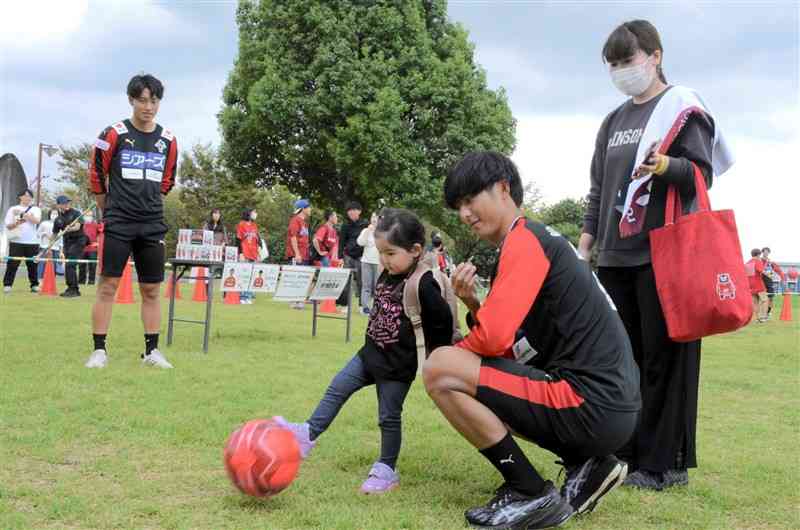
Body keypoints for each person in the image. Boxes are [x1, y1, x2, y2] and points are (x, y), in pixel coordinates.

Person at [423, 152, 640, 529]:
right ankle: (587, 464)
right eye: (458, 206)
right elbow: (514, 350)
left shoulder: (524, 241)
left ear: (504, 189)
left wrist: (450, 360)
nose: (464, 213)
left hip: (590, 402)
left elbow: (492, 341)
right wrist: (473, 303)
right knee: (473, 376)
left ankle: (528, 491)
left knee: (440, 369)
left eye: (470, 198)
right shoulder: (540, 240)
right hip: (612, 408)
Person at [577, 20, 733, 491]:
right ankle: (626, 452)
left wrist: (665, 165)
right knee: (622, 361)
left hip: (664, 256)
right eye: (615, 64)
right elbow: (599, 187)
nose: (623, 70)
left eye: (629, 60)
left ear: (655, 55)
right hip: (614, 257)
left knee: (666, 360)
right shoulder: (614, 120)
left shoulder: (683, 110)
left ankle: (666, 464)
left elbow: (700, 176)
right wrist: (587, 237)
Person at [276, 208, 454, 494]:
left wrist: (437, 354)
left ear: (416, 250)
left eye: (391, 253)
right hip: (368, 355)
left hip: (397, 367)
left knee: (388, 416)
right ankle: (308, 434)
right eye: (382, 253)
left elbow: (443, 322)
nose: (384, 260)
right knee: (337, 389)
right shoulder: (388, 273)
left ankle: (386, 469)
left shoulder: (423, 283)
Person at [85, 73, 178, 369]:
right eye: (142, 100)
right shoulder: (112, 134)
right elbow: (96, 176)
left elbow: (167, 181)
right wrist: (109, 208)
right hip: (118, 221)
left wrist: (148, 203)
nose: (148, 106)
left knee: (151, 289)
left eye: (154, 100)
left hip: (152, 223)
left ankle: (152, 352)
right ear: (131, 100)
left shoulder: (169, 139)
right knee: (107, 285)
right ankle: (99, 351)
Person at [3, 189, 41, 293]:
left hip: (32, 242)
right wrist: (16, 223)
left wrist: (23, 214)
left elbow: (36, 221)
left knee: (32, 265)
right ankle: (7, 285)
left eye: (29, 196)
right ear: (20, 197)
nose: (27, 198)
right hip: (16, 241)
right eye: (25, 195)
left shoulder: (35, 209)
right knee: (12, 264)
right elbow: (8, 225)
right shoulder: (12, 209)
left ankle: (34, 285)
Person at [53, 195, 86, 298]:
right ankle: (72, 288)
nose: (66, 204)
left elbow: (78, 226)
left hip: (79, 240)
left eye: (67, 202)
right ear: (58, 205)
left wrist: (69, 229)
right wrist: (49, 244)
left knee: (70, 264)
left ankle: (73, 290)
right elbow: (54, 234)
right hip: (67, 242)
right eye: (63, 203)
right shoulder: (58, 219)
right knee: (68, 265)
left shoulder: (76, 213)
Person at [340, 201, 369, 309]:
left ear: (359, 211)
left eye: (353, 210)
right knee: (346, 281)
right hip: (348, 256)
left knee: (361, 281)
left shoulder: (365, 224)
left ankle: (362, 306)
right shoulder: (345, 225)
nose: (351, 213)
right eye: (349, 211)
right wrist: (340, 257)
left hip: (361, 256)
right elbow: (342, 241)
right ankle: (345, 305)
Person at [285, 198, 311, 309]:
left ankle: (299, 300)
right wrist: (297, 254)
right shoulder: (295, 220)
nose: (310, 209)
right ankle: (293, 301)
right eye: (308, 207)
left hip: (304, 254)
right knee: (296, 278)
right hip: (297, 255)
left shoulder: (304, 222)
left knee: (303, 278)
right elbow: (293, 237)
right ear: (303, 209)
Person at [357, 212, 380, 316]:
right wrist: (368, 232)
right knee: (366, 285)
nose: (374, 219)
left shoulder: (383, 232)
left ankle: (376, 308)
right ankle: (365, 307)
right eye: (373, 217)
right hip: (366, 261)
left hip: (379, 263)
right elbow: (360, 242)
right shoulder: (366, 230)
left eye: (376, 217)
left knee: (377, 286)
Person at [236, 208, 260, 304]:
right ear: (249, 213)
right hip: (245, 252)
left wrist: (258, 253)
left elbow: (256, 240)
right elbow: (238, 239)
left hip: (253, 253)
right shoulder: (241, 224)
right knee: (243, 275)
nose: (255, 214)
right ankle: (242, 296)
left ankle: (248, 296)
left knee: (251, 276)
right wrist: (240, 253)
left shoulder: (254, 225)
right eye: (254, 212)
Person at [37, 209, 64, 279]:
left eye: (56, 214)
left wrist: (61, 252)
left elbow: (61, 240)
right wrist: (45, 234)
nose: (54, 215)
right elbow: (38, 234)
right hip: (44, 247)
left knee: (54, 265)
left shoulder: (61, 225)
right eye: (53, 213)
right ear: (49, 214)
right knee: (42, 264)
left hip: (55, 248)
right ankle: (39, 280)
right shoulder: (44, 223)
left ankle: (51, 280)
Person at [760, 247, 785, 319]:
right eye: (765, 251)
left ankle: (768, 312)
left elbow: (779, 270)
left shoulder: (771, 262)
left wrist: (782, 278)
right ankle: (762, 314)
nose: (766, 253)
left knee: (771, 298)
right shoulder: (759, 261)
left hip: (769, 281)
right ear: (762, 252)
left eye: (767, 252)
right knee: (762, 298)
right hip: (761, 281)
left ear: (769, 253)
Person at [745, 249, 768, 323]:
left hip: (750, 285)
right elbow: (762, 271)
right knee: (765, 300)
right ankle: (763, 317)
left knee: (755, 303)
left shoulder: (747, 263)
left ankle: (757, 318)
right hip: (758, 284)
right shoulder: (757, 261)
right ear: (758, 255)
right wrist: (770, 275)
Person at [79, 211, 99, 285]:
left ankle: (91, 282)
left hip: (93, 249)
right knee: (81, 266)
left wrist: (98, 243)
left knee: (92, 266)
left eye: (90, 215)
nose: (88, 217)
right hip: (82, 249)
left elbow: (101, 234)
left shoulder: (95, 225)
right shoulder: (80, 225)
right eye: (87, 215)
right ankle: (81, 282)